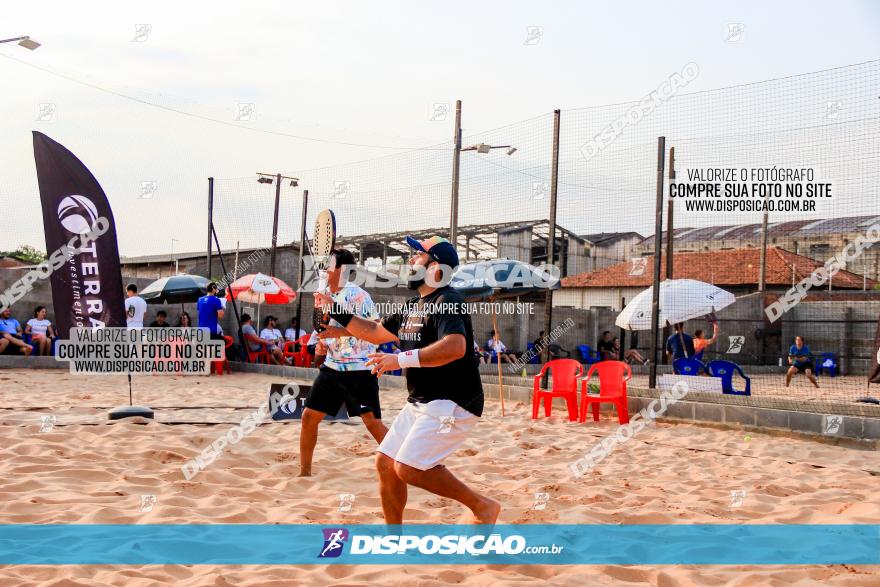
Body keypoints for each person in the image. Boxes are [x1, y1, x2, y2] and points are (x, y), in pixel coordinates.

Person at [316, 235, 499, 525]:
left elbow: (455, 347)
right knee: (386, 463)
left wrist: (399, 360)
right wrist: (334, 308)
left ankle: (483, 507)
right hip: (423, 401)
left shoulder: (448, 300)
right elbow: (374, 331)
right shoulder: (414, 305)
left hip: (455, 402)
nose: (410, 259)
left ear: (435, 266)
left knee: (408, 468)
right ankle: (394, 540)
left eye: (417, 255)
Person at [299, 248, 388, 477]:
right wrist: (320, 343)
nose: (324, 268)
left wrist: (337, 333)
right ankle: (305, 472)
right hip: (333, 366)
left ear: (343, 270)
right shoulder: (323, 293)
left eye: (329, 264)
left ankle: (406, 464)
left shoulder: (358, 295)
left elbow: (375, 328)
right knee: (309, 416)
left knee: (372, 423)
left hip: (359, 368)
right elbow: (322, 328)